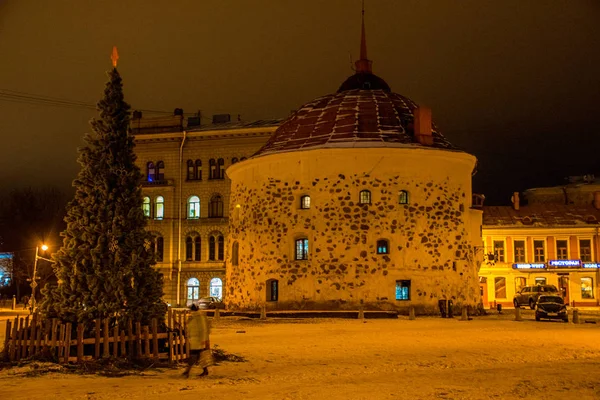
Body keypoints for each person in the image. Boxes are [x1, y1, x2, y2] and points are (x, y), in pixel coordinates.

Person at [182, 303, 212, 378]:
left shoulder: (198, 317)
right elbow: (190, 328)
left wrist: (203, 339)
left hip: (198, 340)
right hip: (194, 339)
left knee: (193, 356)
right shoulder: (193, 317)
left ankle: (187, 371)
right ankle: (205, 370)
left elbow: (203, 328)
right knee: (199, 356)